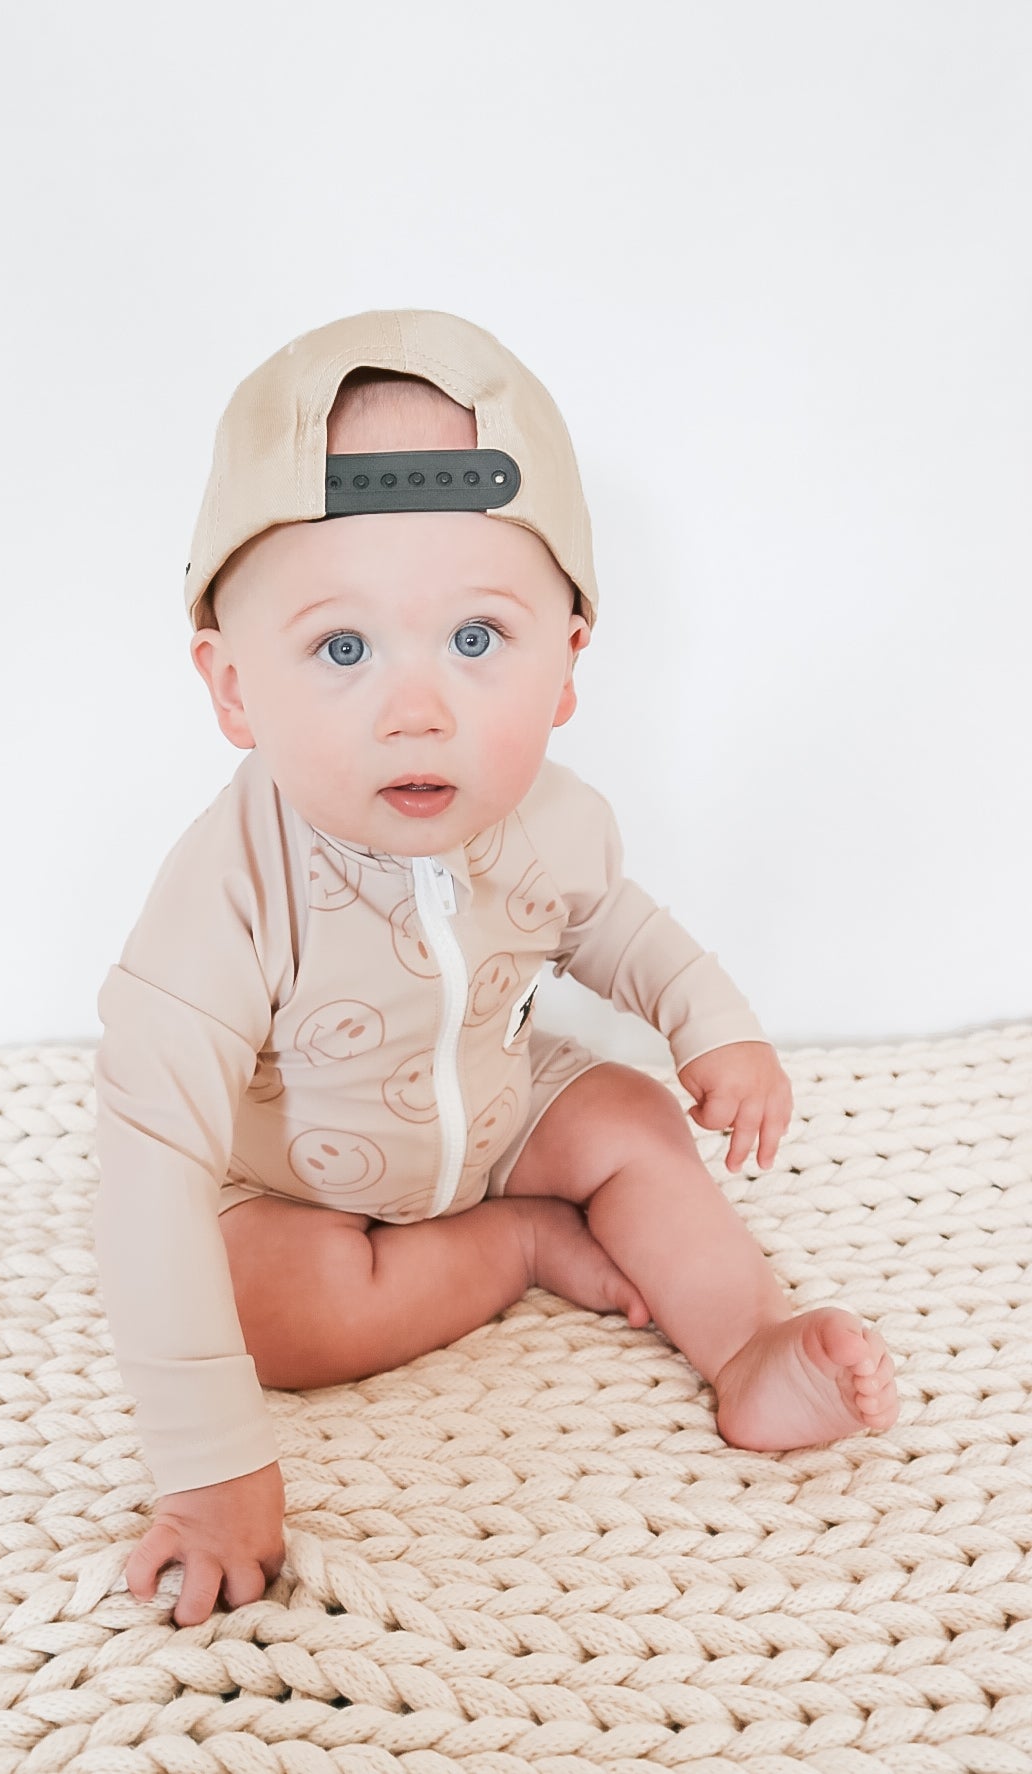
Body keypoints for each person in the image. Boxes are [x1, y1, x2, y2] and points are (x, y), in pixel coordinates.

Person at [93, 309, 898, 1628]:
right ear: (232, 687)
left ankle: (749, 1342)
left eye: (476, 639)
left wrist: (712, 1022)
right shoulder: (224, 887)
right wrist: (207, 1468)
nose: (419, 707)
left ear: (569, 661)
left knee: (632, 1114)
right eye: (342, 650)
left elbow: (621, 927)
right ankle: (516, 1247)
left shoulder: (554, 820)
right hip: (303, 1175)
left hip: (501, 1104)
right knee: (268, 1300)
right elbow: (145, 1157)